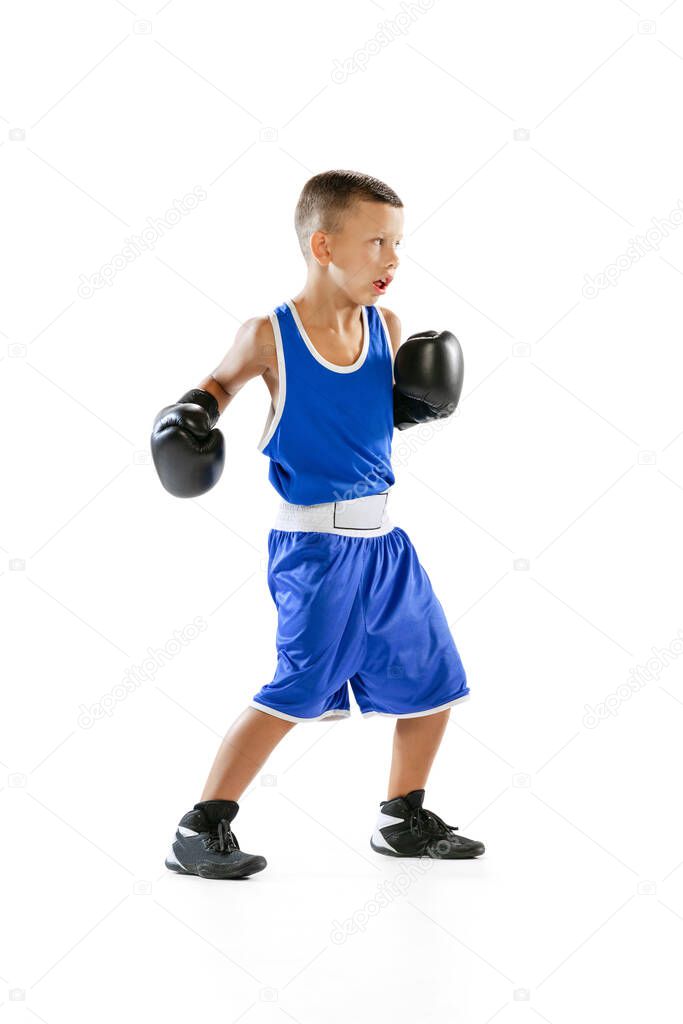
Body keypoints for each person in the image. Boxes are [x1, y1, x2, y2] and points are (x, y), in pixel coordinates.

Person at [151, 169, 485, 880]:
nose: (392, 259)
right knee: (297, 688)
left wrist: (412, 409)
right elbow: (216, 387)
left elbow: (361, 420)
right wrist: (189, 418)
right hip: (313, 547)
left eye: (398, 243)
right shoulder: (268, 334)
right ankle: (199, 825)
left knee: (434, 681)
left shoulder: (384, 327)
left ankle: (401, 816)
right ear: (324, 245)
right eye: (376, 243)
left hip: (385, 545)